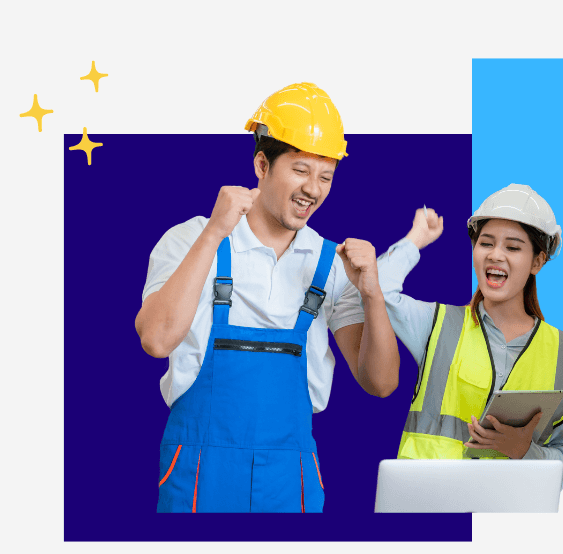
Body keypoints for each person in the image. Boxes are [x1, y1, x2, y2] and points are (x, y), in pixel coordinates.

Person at [135, 83, 399, 513]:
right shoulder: (191, 239)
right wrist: (214, 234)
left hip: (288, 482)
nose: (313, 189)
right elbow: (156, 340)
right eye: (300, 170)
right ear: (262, 164)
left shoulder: (331, 265)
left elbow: (381, 382)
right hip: (200, 476)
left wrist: (371, 293)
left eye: (326, 176)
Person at [376, 184, 563, 483]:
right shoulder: (438, 324)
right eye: (486, 243)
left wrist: (525, 450)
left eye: (513, 247)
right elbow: (377, 289)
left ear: (537, 262)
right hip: (431, 506)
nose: (495, 255)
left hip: (506, 518)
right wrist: (416, 240)